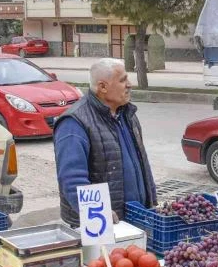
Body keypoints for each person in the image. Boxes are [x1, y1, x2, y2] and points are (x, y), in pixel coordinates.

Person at [54, 58, 157, 228]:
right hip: (100, 226)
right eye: (123, 80)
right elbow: (71, 180)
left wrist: (151, 200)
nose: (129, 84)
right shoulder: (74, 122)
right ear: (102, 87)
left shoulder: (127, 114)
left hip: (136, 218)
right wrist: (99, 213)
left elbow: (142, 163)